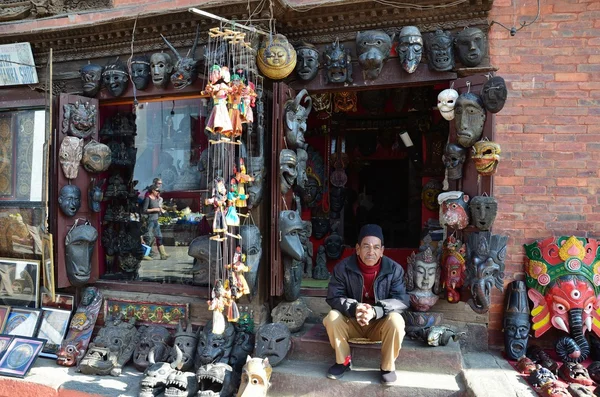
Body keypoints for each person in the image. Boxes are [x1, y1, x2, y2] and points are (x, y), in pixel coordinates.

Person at [323, 224, 409, 385]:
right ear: (357, 248)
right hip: (352, 323)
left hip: (379, 325)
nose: (371, 251)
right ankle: (344, 361)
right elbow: (334, 296)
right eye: (366, 246)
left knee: (396, 320)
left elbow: (402, 300)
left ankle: (387, 367)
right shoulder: (343, 268)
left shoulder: (394, 270)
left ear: (382, 250)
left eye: (376, 247)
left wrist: (376, 311)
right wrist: (355, 308)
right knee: (332, 317)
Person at [142, 182, 170, 260]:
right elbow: (144, 210)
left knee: (159, 236)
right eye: (157, 191)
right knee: (149, 237)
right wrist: (155, 209)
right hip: (150, 220)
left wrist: (161, 210)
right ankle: (145, 254)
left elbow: (158, 207)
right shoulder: (148, 198)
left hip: (155, 219)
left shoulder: (157, 199)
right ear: (153, 191)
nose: (158, 192)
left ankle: (162, 253)